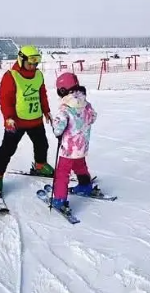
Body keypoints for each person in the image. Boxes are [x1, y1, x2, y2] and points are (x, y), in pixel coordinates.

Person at [0, 45, 53, 198]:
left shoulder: (38, 75)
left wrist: (46, 111)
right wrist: (9, 117)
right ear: (21, 59)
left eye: (35, 63)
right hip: (16, 122)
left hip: (35, 120)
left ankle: (40, 165)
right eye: (30, 63)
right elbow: (5, 100)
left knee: (42, 144)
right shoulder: (11, 76)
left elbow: (42, 95)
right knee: (7, 150)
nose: (33, 66)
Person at [49, 72, 99, 213]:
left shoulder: (65, 108)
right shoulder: (86, 104)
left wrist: (55, 127)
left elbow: (58, 128)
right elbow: (93, 117)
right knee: (80, 165)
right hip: (82, 146)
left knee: (62, 173)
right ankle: (85, 185)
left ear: (63, 90)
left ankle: (60, 199)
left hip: (68, 149)